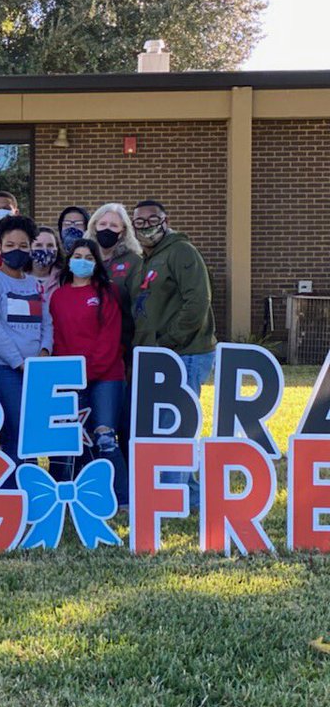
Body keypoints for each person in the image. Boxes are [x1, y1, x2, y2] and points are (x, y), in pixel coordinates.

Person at [131, 199, 217, 507]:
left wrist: (168, 341)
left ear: (165, 220)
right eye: (139, 222)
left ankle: (172, 499)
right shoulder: (148, 259)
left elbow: (197, 301)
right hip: (160, 356)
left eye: (152, 219)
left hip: (185, 353)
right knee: (169, 425)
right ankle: (189, 495)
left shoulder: (182, 252)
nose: (146, 225)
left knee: (177, 424)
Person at [49, 239, 129, 506]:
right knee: (72, 440)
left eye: (88, 257)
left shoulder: (106, 293)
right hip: (69, 379)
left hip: (105, 377)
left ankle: (123, 500)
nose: (81, 260)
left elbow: (109, 339)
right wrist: (65, 378)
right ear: (69, 260)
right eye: (77, 255)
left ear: (96, 264)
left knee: (105, 438)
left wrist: (88, 373)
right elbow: (58, 339)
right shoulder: (58, 296)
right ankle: (75, 498)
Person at [0, 214, 53, 473]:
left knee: (28, 431)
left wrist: (43, 352)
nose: (16, 251)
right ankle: (11, 488)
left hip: (34, 370)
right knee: (16, 428)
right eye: (10, 245)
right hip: (4, 368)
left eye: (23, 246)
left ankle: (28, 484)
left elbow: (47, 322)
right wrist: (19, 363)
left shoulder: (34, 284)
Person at [87, 202, 143, 302]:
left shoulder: (134, 261)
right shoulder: (85, 258)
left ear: (122, 232)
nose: (107, 229)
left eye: (114, 225)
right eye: (102, 224)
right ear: (95, 227)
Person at [30, 225, 64, 304]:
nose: (45, 249)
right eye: (39, 245)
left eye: (50, 245)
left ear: (57, 249)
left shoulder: (64, 279)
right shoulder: (19, 278)